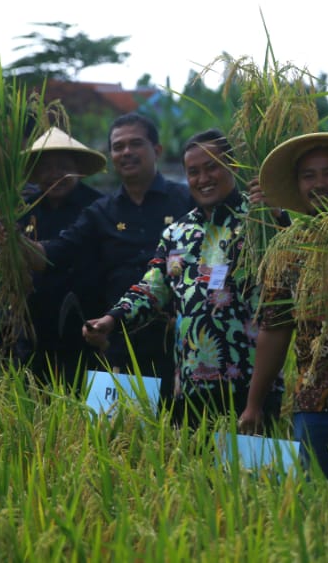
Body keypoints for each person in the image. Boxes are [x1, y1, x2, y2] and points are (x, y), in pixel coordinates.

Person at [83, 129, 280, 425]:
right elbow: (152, 288)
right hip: (190, 387)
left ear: (234, 167)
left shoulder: (261, 220)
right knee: (197, 468)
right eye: (193, 172)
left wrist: (276, 218)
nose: (203, 179)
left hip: (252, 387)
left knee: (256, 471)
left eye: (212, 167)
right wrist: (111, 319)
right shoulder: (177, 233)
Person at [237, 132, 328, 491]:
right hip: (315, 401)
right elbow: (275, 327)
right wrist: (253, 404)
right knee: (323, 510)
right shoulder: (288, 247)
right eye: (308, 176)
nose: (320, 184)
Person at [21, 113, 192, 386]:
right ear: (111, 155)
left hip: (182, 340)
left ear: (156, 150)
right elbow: (53, 255)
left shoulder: (187, 201)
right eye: (118, 146)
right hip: (118, 342)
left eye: (135, 143)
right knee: (126, 425)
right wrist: (12, 238)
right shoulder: (101, 211)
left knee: (184, 424)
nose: (126, 152)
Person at [15, 126, 106, 386]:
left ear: (78, 167)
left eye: (62, 166)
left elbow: (60, 252)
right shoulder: (27, 208)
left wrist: (17, 241)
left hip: (84, 322)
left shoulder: (96, 206)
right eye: (45, 168)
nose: (54, 175)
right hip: (35, 324)